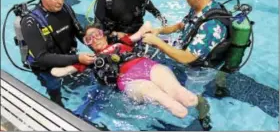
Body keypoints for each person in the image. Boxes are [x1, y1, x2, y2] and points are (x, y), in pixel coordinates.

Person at [51, 22, 210, 119]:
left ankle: (188, 99)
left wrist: (143, 30)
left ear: (104, 35)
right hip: (129, 80)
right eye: (89, 39)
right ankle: (171, 103)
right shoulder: (91, 58)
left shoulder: (121, 42)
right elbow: (60, 72)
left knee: (181, 93)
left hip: (147, 66)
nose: (95, 39)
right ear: (88, 44)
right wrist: (70, 62)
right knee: (161, 97)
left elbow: (143, 30)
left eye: (97, 34)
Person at [21, 0, 95, 106]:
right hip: (46, 68)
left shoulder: (65, 7)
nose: (60, 1)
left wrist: (97, 45)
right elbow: (41, 57)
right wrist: (78, 58)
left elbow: (78, 32)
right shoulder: (30, 22)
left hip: (70, 57)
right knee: (56, 97)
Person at [142, 0, 229, 68]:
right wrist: (159, 30)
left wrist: (157, 42)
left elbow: (186, 58)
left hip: (193, 71)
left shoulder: (211, 26)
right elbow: (180, 25)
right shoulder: (199, 8)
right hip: (181, 47)